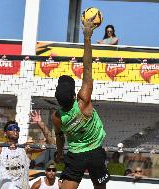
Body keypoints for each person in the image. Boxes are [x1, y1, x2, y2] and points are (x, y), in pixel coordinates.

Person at [51, 19, 110, 189]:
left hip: (75, 155)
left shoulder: (57, 117)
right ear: (73, 93)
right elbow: (87, 66)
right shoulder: (83, 101)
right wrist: (87, 37)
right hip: (95, 152)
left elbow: (60, 137)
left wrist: (60, 153)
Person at [0, 121, 32, 189]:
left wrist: (41, 124)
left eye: (17, 128)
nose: (15, 130)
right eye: (11, 128)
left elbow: (49, 143)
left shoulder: (25, 149)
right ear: (5, 133)